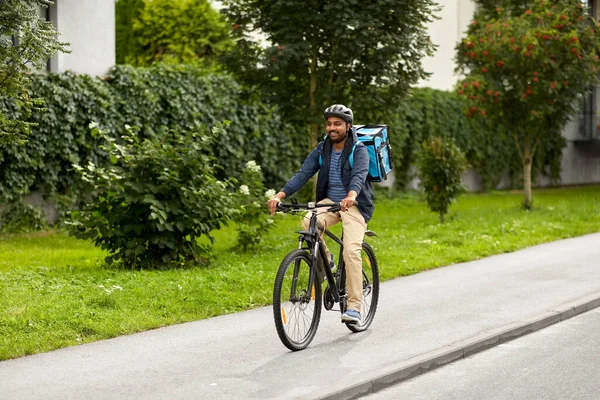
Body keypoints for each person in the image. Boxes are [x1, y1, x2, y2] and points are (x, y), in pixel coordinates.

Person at [267, 104, 374, 324]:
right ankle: (328, 261)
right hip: (330, 203)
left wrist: (351, 195)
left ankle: (354, 307)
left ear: (348, 126)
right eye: (329, 124)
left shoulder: (359, 149)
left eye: (337, 124)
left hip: (354, 204)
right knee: (308, 221)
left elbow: (360, 175)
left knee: (352, 251)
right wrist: (279, 196)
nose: (332, 128)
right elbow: (303, 173)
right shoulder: (322, 148)